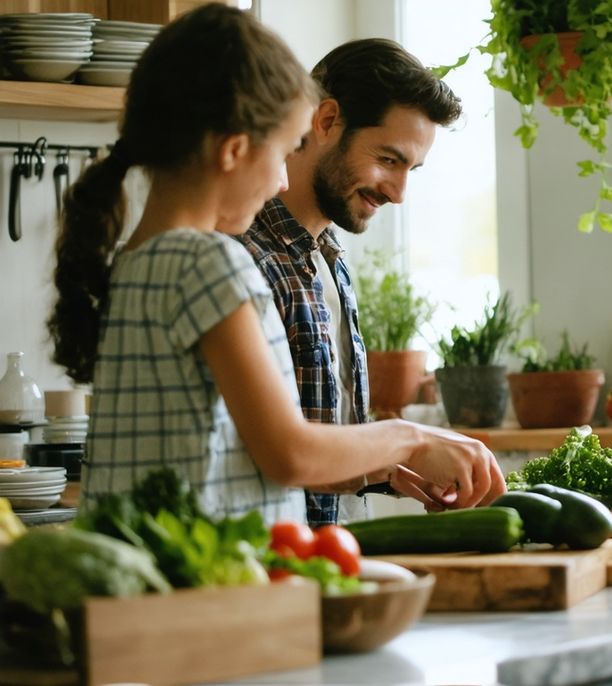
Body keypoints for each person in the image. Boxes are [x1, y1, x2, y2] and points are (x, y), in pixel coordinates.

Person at [47, 4, 504, 524]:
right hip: (218, 591)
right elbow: (290, 454)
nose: (282, 181)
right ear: (233, 150)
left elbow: (234, 450)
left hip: (161, 580)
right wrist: (411, 436)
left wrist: (388, 465)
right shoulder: (211, 261)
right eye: (283, 151)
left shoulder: (135, 261)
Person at [236, 39, 462, 526]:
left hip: (324, 561)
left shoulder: (329, 259)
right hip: (261, 572)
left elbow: (320, 434)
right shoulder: (242, 257)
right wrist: (408, 439)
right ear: (326, 120)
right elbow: (261, 452)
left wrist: (389, 470)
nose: (399, 192)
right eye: (389, 159)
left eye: (411, 170)